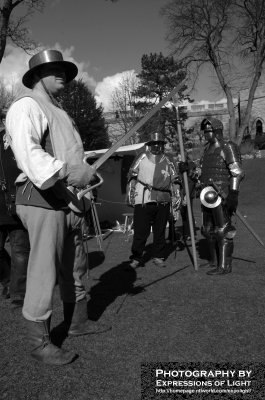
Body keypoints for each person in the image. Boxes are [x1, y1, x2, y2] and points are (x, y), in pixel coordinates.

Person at [6, 49, 110, 366]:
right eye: (54, 69)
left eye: (64, 70)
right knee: (43, 270)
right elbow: (28, 152)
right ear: (37, 75)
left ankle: (77, 323)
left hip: (70, 201)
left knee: (75, 266)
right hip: (42, 198)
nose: (62, 74)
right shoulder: (27, 105)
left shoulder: (60, 112)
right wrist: (67, 171)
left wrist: (84, 170)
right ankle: (39, 343)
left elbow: (70, 156)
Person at [180, 117, 244, 275]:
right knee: (207, 230)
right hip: (206, 194)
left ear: (216, 130)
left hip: (222, 194)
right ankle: (214, 260)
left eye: (208, 131)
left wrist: (233, 194)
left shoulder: (228, 147)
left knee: (223, 230)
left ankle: (224, 266)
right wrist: (188, 168)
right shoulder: (207, 151)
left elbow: (237, 172)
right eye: (205, 131)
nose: (206, 134)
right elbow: (200, 174)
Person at [125, 132, 181, 269]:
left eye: (159, 143)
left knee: (160, 230)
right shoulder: (142, 156)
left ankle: (158, 256)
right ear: (149, 145)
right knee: (140, 231)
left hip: (163, 198)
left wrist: (177, 193)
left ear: (162, 145)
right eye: (153, 143)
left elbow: (175, 179)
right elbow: (132, 175)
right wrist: (130, 191)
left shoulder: (169, 159)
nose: (156, 146)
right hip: (143, 198)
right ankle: (136, 258)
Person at [0, 109, 30, 308]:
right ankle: (8, 280)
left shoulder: (18, 138)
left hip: (17, 199)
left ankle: (19, 291)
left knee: (20, 249)